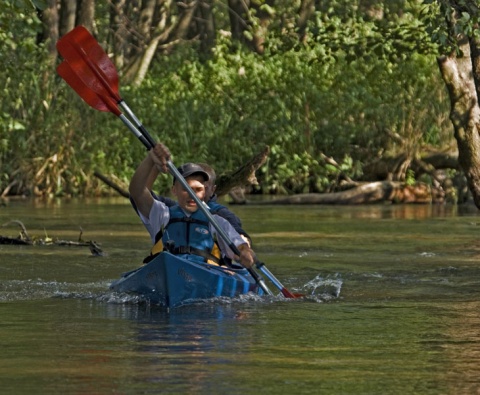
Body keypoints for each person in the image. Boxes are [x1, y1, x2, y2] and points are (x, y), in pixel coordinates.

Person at [129, 142, 256, 268]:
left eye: (198, 189)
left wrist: (245, 252)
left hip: (204, 273)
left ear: (206, 191)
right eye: (186, 189)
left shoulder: (217, 221)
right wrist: (151, 159)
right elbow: (137, 191)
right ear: (174, 190)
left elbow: (240, 246)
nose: (192, 195)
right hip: (167, 270)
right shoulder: (162, 213)